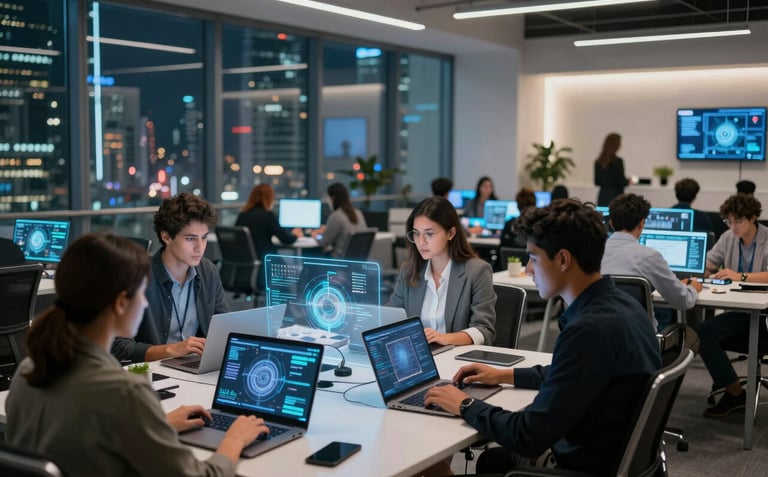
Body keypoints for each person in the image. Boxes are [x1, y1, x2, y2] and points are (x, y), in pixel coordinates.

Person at [424, 199, 661, 475]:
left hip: (581, 465)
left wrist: (463, 404)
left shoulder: (588, 330)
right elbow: (570, 373)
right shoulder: (624, 305)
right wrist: (503, 375)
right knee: (491, 461)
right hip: (612, 457)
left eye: (534, 258)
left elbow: (527, 436)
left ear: (563, 259)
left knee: (431, 468)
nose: (528, 269)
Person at [6, 233, 268, 476]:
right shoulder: (125, 393)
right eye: (142, 294)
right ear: (121, 303)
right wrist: (234, 440)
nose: (144, 303)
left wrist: (157, 425)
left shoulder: (27, 371)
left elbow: (82, 436)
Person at [112, 193, 228, 363]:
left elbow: (224, 327)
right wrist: (170, 350)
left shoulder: (207, 271)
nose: (200, 247)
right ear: (166, 237)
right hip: (151, 372)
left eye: (203, 238)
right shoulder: (138, 276)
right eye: (190, 239)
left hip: (194, 366)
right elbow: (118, 345)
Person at [386, 197, 496, 346]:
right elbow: (391, 317)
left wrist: (445, 338)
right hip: (419, 357)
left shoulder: (477, 271)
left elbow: (484, 330)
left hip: (456, 360)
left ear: (450, 233)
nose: (421, 241)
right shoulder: (409, 270)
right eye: (416, 233)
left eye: (429, 234)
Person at [697, 194, 768, 417]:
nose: (733, 226)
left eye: (739, 221)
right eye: (729, 221)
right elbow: (709, 264)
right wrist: (701, 275)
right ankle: (735, 392)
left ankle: (734, 395)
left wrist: (740, 276)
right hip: (738, 310)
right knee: (700, 334)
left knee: (704, 333)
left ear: (754, 218)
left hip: (763, 314)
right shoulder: (728, 237)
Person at [602, 193, 702, 329]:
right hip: (640, 342)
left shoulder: (593, 254)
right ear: (642, 223)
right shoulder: (649, 256)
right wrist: (692, 288)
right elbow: (681, 301)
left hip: (600, 337)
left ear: (612, 223)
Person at [235, 184, 303, 289]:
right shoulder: (267, 215)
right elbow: (286, 240)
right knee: (286, 270)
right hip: (266, 261)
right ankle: (286, 303)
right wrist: (295, 234)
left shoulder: (243, 215)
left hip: (246, 265)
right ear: (269, 198)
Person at [311, 182, 368, 257]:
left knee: (311, 256)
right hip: (356, 260)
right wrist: (326, 230)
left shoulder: (336, 216)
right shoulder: (358, 213)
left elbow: (323, 242)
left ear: (333, 198)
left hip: (339, 260)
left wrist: (316, 235)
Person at [594, 132, 629, 206]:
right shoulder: (618, 161)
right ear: (616, 145)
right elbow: (621, 182)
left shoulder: (598, 161)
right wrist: (629, 181)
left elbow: (596, 182)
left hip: (603, 195)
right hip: (616, 196)